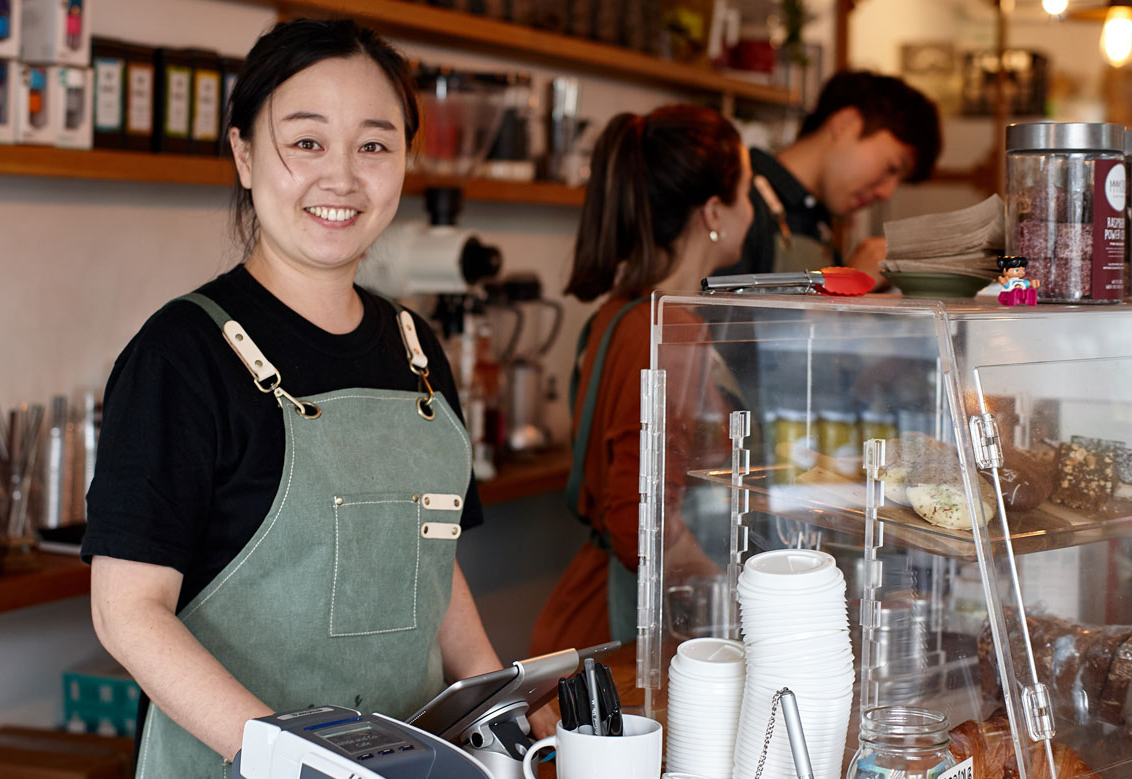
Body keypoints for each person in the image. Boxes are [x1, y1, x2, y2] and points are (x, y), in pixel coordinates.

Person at [82, 19, 550, 775]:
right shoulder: (183, 353)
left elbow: (432, 564)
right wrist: (292, 760)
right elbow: (127, 611)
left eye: (374, 145)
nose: (342, 178)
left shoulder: (417, 346)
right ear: (243, 153)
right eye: (306, 143)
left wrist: (498, 714)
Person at [529, 105, 754, 656]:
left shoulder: (623, 311)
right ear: (713, 211)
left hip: (590, 615)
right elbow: (642, 520)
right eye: (748, 193)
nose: (753, 212)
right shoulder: (671, 329)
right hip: (623, 631)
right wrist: (741, 601)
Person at [722, 70, 943, 284]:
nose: (886, 193)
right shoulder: (735, 193)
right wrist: (851, 281)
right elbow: (713, 318)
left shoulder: (819, 226)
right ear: (845, 123)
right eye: (892, 168)